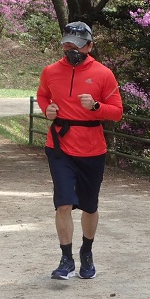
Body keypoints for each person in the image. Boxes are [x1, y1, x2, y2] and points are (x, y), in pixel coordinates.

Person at [36, 21, 123, 280]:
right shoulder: (50, 71)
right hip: (60, 147)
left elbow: (117, 112)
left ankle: (87, 252)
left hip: (92, 149)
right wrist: (47, 109)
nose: (70, 48)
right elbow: (42, 96)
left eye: (76, 44)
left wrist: (96, 106)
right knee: (63, 203)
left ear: (89, 45)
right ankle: (66, 259)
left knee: (89, 206)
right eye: (66, 43)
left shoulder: (103, 74)